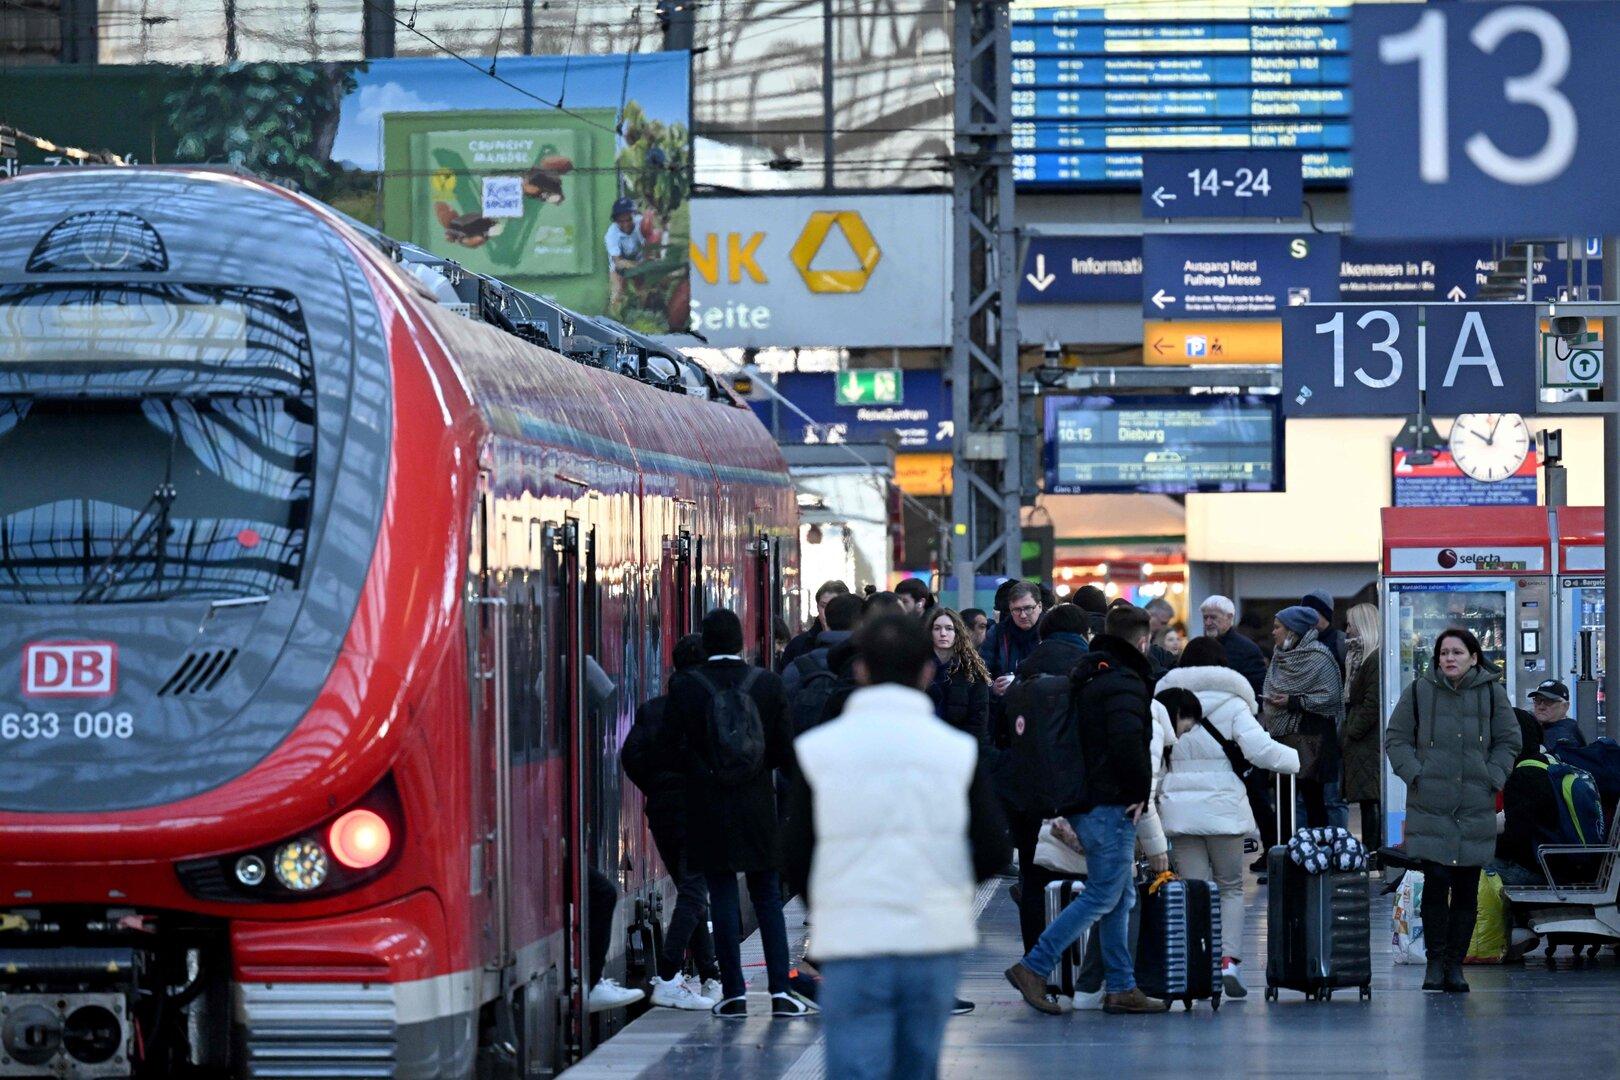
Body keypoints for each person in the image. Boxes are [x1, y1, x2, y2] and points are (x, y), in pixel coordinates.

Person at [784, 615, 1008, 1080]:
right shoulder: (957, 752)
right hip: (930, 941)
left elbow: (796, 854)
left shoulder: (818, 750)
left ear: (862, 670)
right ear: (927, 672)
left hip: (850, 939)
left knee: (852, 1067)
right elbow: (991, 852)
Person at [1004, 604, 1170, 1016]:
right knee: (1102, 894)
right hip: (1111, 801)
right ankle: (1034, 967)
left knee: (1120, 894)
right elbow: (1127, 740)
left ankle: (1121, 986)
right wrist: (1138, 792)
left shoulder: (1092, 670)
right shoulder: (1124, 681)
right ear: (1144, 641)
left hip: (1083, 797)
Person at [665, 609, 814, 1017]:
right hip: (757, 808)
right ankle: (781, 991)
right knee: (767, 897)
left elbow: (670, 749)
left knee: (723, 897)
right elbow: (785, 752)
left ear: (707, 643)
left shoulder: (685, 687)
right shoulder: (765, 683)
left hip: (708, 808)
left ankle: (733, 994)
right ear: (739, 642)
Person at [1155, 636, 1300, 1000]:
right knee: (1231, 887)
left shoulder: (1164, 703)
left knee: (1194, 889)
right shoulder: (1234, 703)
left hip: (1179, 813)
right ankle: (1228, 962)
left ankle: (1196, 962)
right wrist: (1298, 760)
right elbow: (1261, 750)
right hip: (1224, 813)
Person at [1385, 627, 1520, 994]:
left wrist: (1492, 777)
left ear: (1474, 657)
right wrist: (1416, 776)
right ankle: (1435, 962)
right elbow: (1395, 738)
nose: (1449, 658)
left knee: (1466, 888)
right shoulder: (1419, 691)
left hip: (1475, 803)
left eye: (1457, 652)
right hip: (1431, 804)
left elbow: (1510, 739)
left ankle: (1455, 965)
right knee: (1436, 881)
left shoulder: (1492, 693)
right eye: (1444, 652)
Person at [621, 634, 721, 1010]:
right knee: (695, 891)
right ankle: (667, 975)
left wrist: (657, 785)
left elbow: (631, 755)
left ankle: (710, 976)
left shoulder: (653, 709)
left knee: (691, 891)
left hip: (663, 810)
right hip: (700, 807)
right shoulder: (711, 707)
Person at [993, 603, 1092, 956]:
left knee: (1033, 880)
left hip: (1026, 794)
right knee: (1087, 879)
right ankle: (1078, 963)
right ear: (1083, 633)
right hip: (1077, 795)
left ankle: (1035, 962)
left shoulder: (1021, 676)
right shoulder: (1089, 671)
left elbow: (1001, 738)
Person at [1260, 606, 1344, 831]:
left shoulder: (1319, 657)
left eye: (1277, 627)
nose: (1273, 632)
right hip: (1282, 739)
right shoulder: (1279, 656)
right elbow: (1271, 685)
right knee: (1284, 800)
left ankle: (1317, 852)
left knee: (1313, 801)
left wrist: (1293, 701)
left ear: (1292, 631)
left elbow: (1330, 698)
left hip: (1312, 741)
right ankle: (1286, 850)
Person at [1340, 603, 1383, 849]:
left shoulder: (1372, 658)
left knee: (1371, 800)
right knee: (1369, 800)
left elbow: (1372, 702)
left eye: (1350, 624)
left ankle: (1373, 852)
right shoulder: (1361, 656)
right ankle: (1372, 850)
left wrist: (1352, 730)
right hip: (1364, 741)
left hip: (1366, 740)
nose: (1346, 630)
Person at [926, 607, 992, 743]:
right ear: (930, 633)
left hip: (958, 746)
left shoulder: (971, 671)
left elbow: (978, 722)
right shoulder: (918, 669)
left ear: (957, 633)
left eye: (949, 628)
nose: (943, 633)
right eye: (937, 628)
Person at [1200, 594, 1267, 697]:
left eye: (1213, 617)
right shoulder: (1197, 647)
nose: (1208, 622)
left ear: (1229, 617)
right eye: (1205, 618)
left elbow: (1257, 690)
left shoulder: (1247, 649)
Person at [981, 580, 1043, 688]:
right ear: (1010, 609)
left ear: (1040, 606)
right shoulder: (997, 634)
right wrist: (993, 689)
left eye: (1028, 608)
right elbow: (980, 674)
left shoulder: (1052, 632)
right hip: (1006, 701)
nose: (1023, 615)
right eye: (1017, 610)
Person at [779, 580, 850, 672]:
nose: (828, 611)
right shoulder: (797, 646)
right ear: (817, 607)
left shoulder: (857, 645)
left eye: (834, 605)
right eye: (823, 606)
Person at [605, 195, 646, 307]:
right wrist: (637, 265)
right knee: (616, 296)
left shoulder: (642, 224)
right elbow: (618, 262)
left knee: (643, 294)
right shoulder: (611, 234)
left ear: (634, 216)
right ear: (616, 221)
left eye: (628, 220)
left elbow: (650, 247)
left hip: (641, 261)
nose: (625, 224)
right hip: (620, 265)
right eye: (621, 221)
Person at [1527, 679, 1585, 750]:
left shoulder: (1560, 735)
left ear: (1565, 706)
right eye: (1537, 700)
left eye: (1549, 701)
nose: (1541, 707)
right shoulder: (1568, 726)